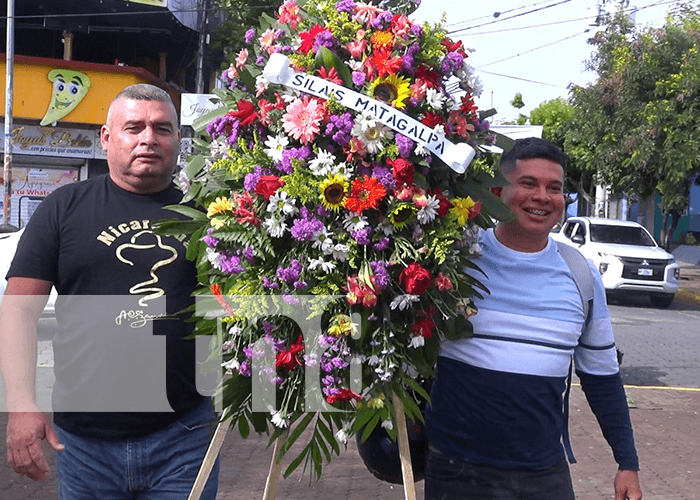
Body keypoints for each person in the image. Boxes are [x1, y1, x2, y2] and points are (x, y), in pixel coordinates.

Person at [0, 84, 219, 499]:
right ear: (106, 137)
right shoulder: (63, 208)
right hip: (85, 445)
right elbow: (19, 312)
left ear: (177, 139)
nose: (148, 139)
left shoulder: (207, 215)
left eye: (162, 129)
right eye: (133, 127)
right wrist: (22, 405)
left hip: (184, 436)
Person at [424, 137, 642, 500]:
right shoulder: (456, 257)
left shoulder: (580, 274)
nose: (542, 197)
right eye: (528, 183)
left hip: (543, 473)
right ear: (498, 191)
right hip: (457, 471)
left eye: (554, 188)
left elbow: (602, 377)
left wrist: (627, 463)